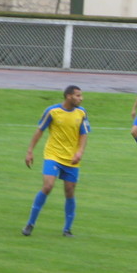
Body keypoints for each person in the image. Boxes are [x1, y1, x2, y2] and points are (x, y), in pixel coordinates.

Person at [22, 85, 90, 237]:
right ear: (68, 96)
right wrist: (30, 151)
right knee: (48, 186)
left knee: (70, 191)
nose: (81, 98)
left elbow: (84, 134)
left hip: (72, 158)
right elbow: (40, 131)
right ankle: (30, 224)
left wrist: (79, 152)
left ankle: (67, 229)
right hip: (53, 155)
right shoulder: (52, 111)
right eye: (78, 96)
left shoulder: (82, 112)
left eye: (81, 96)